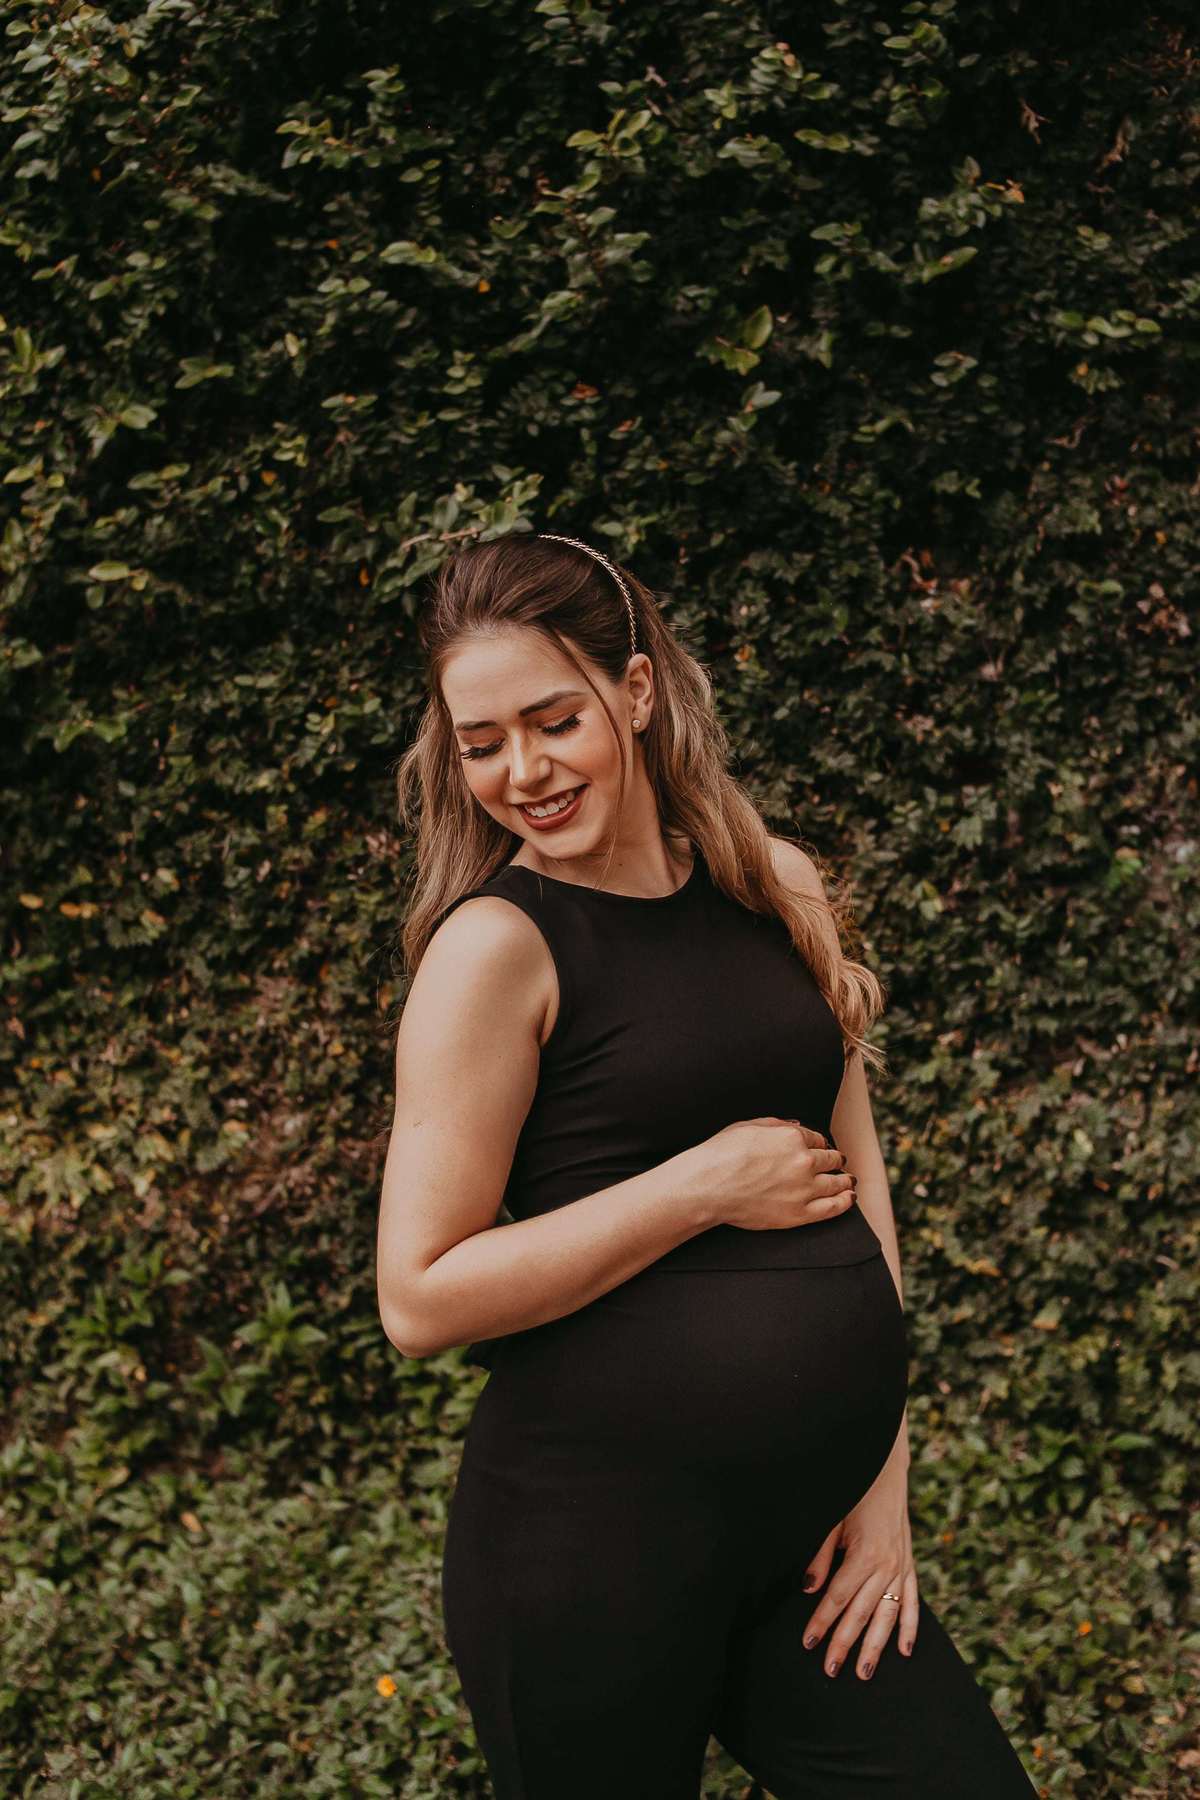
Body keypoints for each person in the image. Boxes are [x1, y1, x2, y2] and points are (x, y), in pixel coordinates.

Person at [376, 534, 1037, 1799]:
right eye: (480, 742)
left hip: (805, 1547)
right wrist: (700, 1188)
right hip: (586, 1558)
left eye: (554, 719)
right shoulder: (496, 951)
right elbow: (420, 1295)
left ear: (633, 693)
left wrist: (880, 1486)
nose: (522, 771)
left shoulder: (768, 883)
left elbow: (863, 1187)